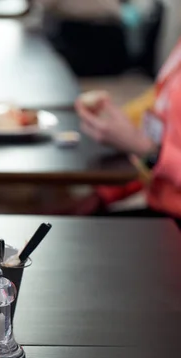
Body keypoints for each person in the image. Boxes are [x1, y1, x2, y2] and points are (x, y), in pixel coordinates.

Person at [75, 37, 181, 225]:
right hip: (161, 212)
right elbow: (161, 136)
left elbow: (153, 150)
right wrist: (105, 194)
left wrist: (147, 150)